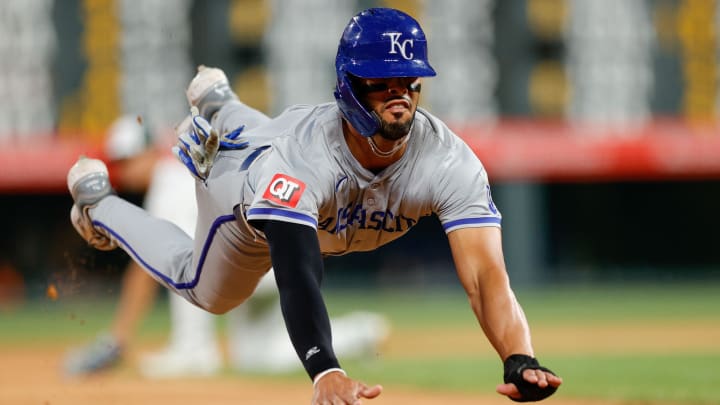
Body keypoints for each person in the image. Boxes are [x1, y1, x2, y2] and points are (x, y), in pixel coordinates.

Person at [66, 7, 562, 404]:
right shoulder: (300, 165)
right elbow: (298, 271)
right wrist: (325, 367)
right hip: (243, 196)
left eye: (408, 82)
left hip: (283, 141)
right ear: (348, 84)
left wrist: (518, 356)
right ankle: (97, 203)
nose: (399, 96)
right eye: (379, 83)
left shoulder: (448, 161)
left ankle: (218, 100)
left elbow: (485, 276)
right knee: (206, 290)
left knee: (262, 129)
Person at [64, 117, 389, 378]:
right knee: (256, 356)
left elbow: (147, 268)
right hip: (275, 260)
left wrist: (118, 336)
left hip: (251, 263)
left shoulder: (169, 182)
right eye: (119, 162)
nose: (124, 170)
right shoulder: (179, 175)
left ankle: (193, 351)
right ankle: (361, 332)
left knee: (184, 265)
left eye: (128, 160)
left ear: (150, 153)